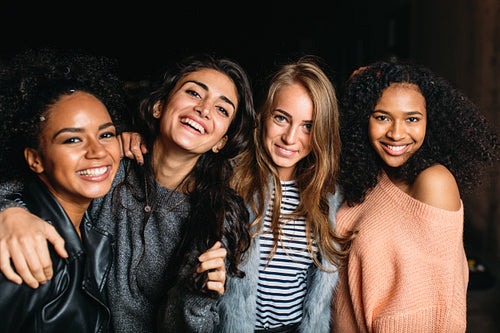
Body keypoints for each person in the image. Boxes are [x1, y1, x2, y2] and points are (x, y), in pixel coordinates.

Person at [0, 54, 256, 332]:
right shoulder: (106, 166)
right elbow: (35, 176)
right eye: (194, 92)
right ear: (160, 106)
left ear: (221, 141)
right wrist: (9, 212)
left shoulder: (215, 215)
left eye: (222, 109)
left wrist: (196, 295)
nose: (204, 109)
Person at [331, 60, 498, 332]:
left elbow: (431, 306)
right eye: (382, 116)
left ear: (431, 120)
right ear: (363, 117)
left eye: (412, 119)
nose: (397, 134)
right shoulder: (368, 176)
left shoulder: (434, 182)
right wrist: (356, 87)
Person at [213, 57, 352, 333]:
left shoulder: (327, 195)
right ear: (263, 114)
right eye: (281, 118)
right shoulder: (227, 180)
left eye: (308, 126)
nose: (290, 138)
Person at [0, 49, 124, 332]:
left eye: (106, 134)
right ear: (35, 159)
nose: (97, 151)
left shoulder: (91, 230)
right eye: (72, 140)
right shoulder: (27, 252)